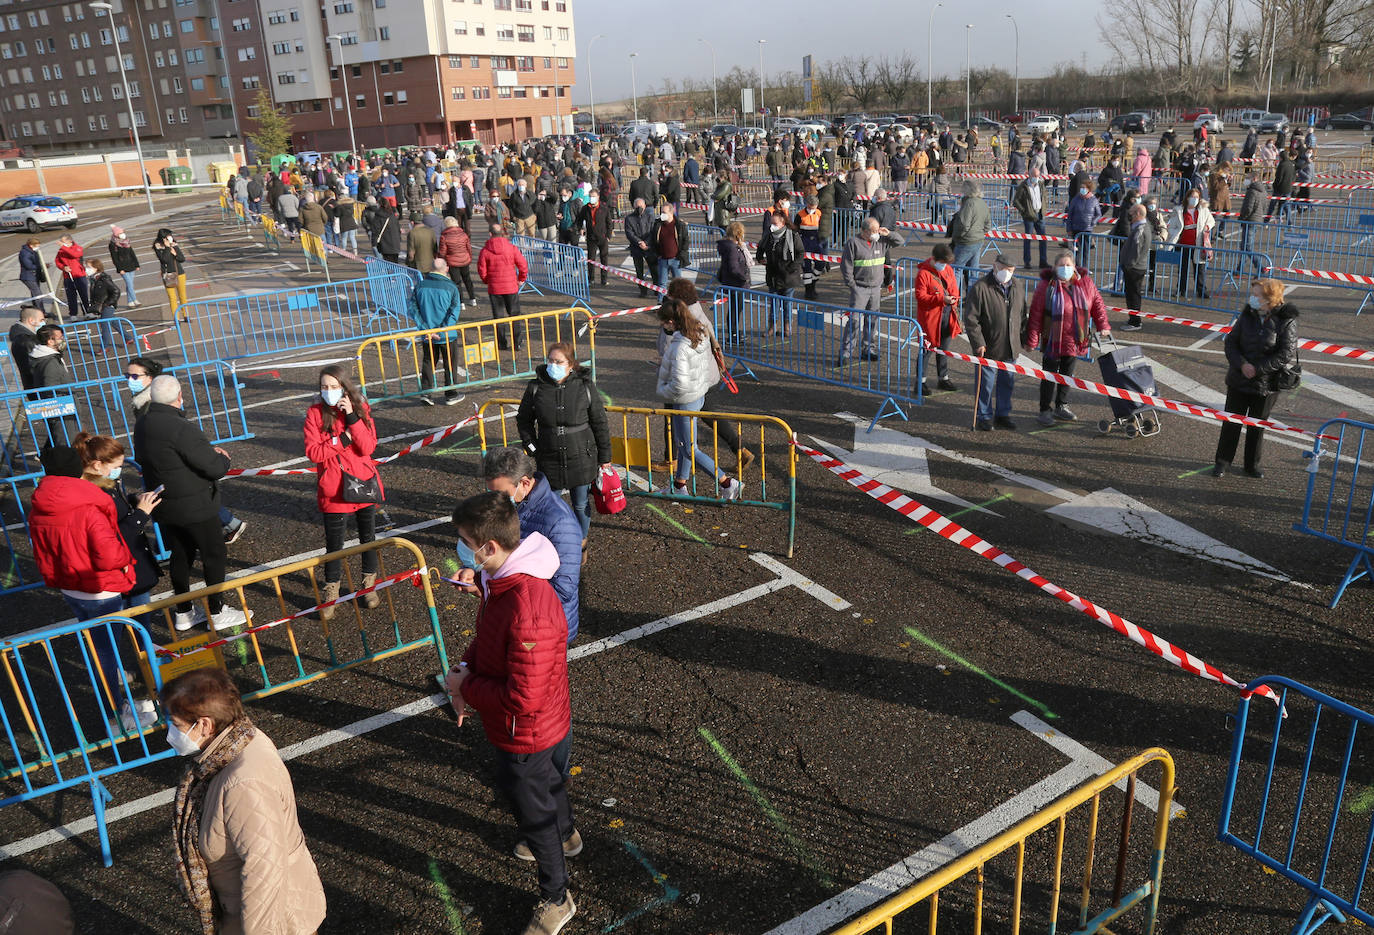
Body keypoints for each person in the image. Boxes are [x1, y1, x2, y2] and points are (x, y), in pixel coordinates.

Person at [445, 492, 578, 935]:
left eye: (466, 541)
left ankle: (556, 897)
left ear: (488, 546)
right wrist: (465, 666)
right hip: (531, 725)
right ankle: (567, 834)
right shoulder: (502, 582)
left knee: (533, 811)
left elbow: (523, 696)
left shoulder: (526, 604)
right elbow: (488, 642)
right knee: (547, 787)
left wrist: (468, 687)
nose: (462, 550)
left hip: (527, 728)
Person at [162, 667, 326, 935]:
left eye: (176, 724)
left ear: (204, 724)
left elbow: (265, 872)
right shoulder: (242, 740)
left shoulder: (243, 784)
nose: (170, 732)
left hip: (274, 923)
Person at [27, 437, 160, 730]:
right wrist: (126, 558)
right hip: (99, 588)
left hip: (70, 586)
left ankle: (120, 705)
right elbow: (110, 552)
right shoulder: (89, 504)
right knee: (106, 654)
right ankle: (115, 715)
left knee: (100, 648)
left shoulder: (40, 505)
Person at [134, 375, 249, 633]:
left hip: (165, 504)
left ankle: (184, 611)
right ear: (179, 396)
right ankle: (217, 610)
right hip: (196, 505)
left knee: (181, 554)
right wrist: (222, 459)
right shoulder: (182, 427)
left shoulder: (143, 423)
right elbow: (211, 467)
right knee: (214, 554)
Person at [303, 365, 384, 618]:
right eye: (324, 387)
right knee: (334, 546)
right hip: (334, 489)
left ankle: (368, 587)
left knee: (367, 539)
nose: (329, 391)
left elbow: (369, 445)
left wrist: (351, 417)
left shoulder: (360, 407)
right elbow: (314, 453)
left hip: (363, 483)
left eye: (334, 387)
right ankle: (331, 593)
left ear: (345, 388)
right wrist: (343, 440)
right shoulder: (315, 413)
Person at [479, 446, 583, 638]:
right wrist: (476, 575)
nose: (495, 500)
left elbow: (563, 590)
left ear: (525, 483)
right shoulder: (513, 506)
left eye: (500, 493)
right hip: (515, 618)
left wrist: (505, 593)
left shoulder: (559, 522)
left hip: (545, 629)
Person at [516, 342, 611, 541]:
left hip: (581, 455)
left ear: (571, 365)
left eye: (559, 361)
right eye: (550, 360)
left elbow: (599, 422)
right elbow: (524, 419)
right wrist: (532, 446)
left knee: (580, 503)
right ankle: (553, 542)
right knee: (550, 502)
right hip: (549, 455)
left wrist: (605, 458)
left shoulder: (584, 386)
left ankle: (582, 541)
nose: (553, 365)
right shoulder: (536, 387)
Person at [655, 298, 745, 500]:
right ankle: (679, 485)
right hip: (699, 394)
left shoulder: (679, 345)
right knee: (685, 444)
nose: (662, 326)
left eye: (664, 322)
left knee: (689, 448)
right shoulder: (697, 331)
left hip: (685, 398)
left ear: (671, 321)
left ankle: (727, 483)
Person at [1212, 279, 1299, 478]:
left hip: (1265, 385)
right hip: (1238, 379)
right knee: (1231, 422)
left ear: (1270, 298)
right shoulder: (1247, 315)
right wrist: (1242, 365)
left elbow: (1286, 353)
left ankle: (1251, 465)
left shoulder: (1287, 320)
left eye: (1257, 295)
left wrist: (1257, 369)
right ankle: (1222, 462)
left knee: (1257, 426)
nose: (1252, 298)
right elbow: (1231, 343)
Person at [1026, 252, 1111, 426]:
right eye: (1061, 265)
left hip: (1074, 339)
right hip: (1052, 340)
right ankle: (1044, 410)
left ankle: (1061, 406)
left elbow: (1097, 305)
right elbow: (1035, 314)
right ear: (1055, 267)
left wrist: (1103, 326)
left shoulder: (1086, 283)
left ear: (1074, 266)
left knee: (1067, 375)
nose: (1065, 268)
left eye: (1068, 265)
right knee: (1049, 376)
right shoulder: (1046, 285)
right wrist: (1032, 339)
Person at [963, 255, 1025, 431]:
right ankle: (984, 415)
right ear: (995, 266)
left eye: (1010, 270)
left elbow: (1022, 314)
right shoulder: (980, 287)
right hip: (988, 347)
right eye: (1003, 268)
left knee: (1007, 382)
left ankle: (1003, 414)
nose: (1006, 273)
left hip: (1011, 346)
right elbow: (971, 320)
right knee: (985, 384)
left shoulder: (1018, 286)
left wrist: (1024, 338)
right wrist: (978, 343)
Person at [838, 217, 904, 366]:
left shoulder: (881, 241)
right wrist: (852, 285)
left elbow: (900, 241)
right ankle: (846, 352)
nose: (876, 234)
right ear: (864, 231)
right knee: (854, 320)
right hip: (859, 289)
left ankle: (868, 349)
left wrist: (888, 234)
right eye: (873, 231)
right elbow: (846, 266)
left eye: (877, 230)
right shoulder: (853, 243)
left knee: (872, 320)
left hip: (875, 288)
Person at [412, 257, 466, 406]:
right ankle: (451, 393)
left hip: (427, 334)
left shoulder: (420, 286)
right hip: (447, 335)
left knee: (428, 362)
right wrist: (441, 331)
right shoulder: (451, 287)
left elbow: (413, 309)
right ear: (446, 269)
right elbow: (453, 312)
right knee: (450, 363)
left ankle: (426, 393)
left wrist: (425, 329)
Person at [914, 244, 961, 394]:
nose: (944, 266)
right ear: (934, 259)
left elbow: (954, 287)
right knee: (926, 351)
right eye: (942, 262)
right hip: (930, 319)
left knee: (944, 350)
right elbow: (921, 297)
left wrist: (954, 298)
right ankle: (920, 383)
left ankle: (943, 378)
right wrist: (942, 299)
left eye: (946, 263)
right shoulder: (923, 274)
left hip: (947, 315)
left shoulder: (947, 269)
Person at [477, 223, 529, 351]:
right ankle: (518, 343)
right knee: (515, 315)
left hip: (495, 288)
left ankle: (502, 343)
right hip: (511, 286)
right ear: (502, 233)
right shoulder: (511, 248)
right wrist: (521, 279)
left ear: (490, 234)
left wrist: (487, 281)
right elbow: (523, 264)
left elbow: (482, 270)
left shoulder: (485, 251)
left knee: (498, 317)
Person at [756, 209, 803, 338]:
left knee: (787, 303)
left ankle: (787, 327)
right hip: (773, 275)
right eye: (771, 223)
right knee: (774, 303)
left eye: (775, 223)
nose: (772, 226)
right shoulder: (768, 236)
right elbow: (760, 249)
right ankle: (772, 327)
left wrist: (792, 267)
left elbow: (800, 253)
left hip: (788, 276)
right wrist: (761, 259)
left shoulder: (792, 236)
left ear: (782, 223)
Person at [1166, 188, 1215, 299]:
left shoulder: (1203, 210)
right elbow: (1171, 226)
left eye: (1197, 197)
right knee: (1183, 269)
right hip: (1183, 244)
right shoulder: (1179, 210)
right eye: (1192, 197)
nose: (1194, 199)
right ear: (1187, 197)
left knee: (1200, 268)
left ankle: (1201, 290)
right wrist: (1177, 233)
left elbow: (1211, 221)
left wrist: (1207, 227)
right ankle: (1181, 290)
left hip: (1198, 244)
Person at [949, 180, 990, 287]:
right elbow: (987, 225)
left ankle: (954, 298)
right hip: (978, 240)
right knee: (973, 271)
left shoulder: (968, 203)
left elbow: (963, 225)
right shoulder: (982, 202)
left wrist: (957, 237)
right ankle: (972, 298)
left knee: (956, 269)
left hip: (966, 241)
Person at [87, 258, 132, 353]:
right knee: (113, 321)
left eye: (89, 267)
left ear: (96, 268)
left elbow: (116, 291)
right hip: (102, 305)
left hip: (107, 305)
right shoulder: (93, 279)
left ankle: (104, 347)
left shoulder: (104, 279)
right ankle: (128, 338)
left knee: (104, 325)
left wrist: (108, 303)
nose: (86, 269)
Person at [716, 221, 752, 341]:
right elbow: (733, 268)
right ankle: (733, 334)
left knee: (734, 309)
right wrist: (744, 277)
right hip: (736, 283)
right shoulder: (732, 248)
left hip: (732, 282)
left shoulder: (729, 246)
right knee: (735, 310)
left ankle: (734, 333)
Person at [1119, 203, 1152, 330]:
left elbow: (1136, 250)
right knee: (1132, 294)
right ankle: (1133, 319)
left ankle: (1135, 321)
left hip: (1135, 268)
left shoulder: (1141, 229)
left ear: (1138, 214)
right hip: (1135, 266)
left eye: (1132, 213)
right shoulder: (1140, 227)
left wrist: (1128, 265)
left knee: (1133, 295)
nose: (1130, 216)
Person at [1012, 166, 1049, 270]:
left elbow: (1044, 196)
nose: (1036, 178)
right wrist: (1024, 211)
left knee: (1043, 239)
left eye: (1038, 176)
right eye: (1035, 176)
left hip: (1040, 214)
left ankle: (1043, 261)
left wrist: (1044, 208)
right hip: (1029, 216)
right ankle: (1027, 262)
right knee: (1028, 239)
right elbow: (1016, 201)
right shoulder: (1023, 186)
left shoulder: (1041, 184)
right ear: (1030, 175)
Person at [438, 216, 478, 308]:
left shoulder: (444, 237)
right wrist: (469, 258)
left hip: (452, 261)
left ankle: (461, 302)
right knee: (467, 280)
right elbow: (469, 248)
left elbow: (442, 252)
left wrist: (442, 261)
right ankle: (473, 298)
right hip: (464, 260)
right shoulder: (464, 234)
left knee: (456, 282)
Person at [650, 201, 690, 290]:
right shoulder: (658, 225)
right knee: (662, 283)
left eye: (664, 212)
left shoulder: (679, 225)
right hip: (663, 259)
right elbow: (654, 240)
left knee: (678, 284)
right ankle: (660, 301)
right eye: (661, 212)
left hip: (676, 259)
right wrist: (657, 255)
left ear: (671, 212)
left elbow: (685, 241)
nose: (662, 214)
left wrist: (681, 254)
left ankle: (679, 301)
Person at [578, 188, 613, 287]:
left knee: (604, 259)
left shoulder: (604, 208)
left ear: (598, 197)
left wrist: (608, 236)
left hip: (603, 237)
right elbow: (579, 220)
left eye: (593, 196)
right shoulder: (585, 208)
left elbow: (609, 223)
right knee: (591, 259)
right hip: (591, 237)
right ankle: (591, 279)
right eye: (590, 196)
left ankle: (604, 279)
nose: (591, 198)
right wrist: (580, 228)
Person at [1065, 178, 1102, 269]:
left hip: (1087, 229)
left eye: (1084, 188)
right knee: (1077, 250)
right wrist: (1069, 229)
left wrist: (1093, 222)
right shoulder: (1076, 199)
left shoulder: (1093, 200)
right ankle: (1077, 267)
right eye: (1081, 187)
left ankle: (1084, 268)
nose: (1082, 189)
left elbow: (1098, 214)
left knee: (1086, 251)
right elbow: (1070, 215)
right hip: (1076, 228)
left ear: (1089, 189)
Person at [153, 229, 190, 320]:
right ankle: (176, 318)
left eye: (171, 236)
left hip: (180, 273)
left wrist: (175, 252)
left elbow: (182, 259)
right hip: (168, 275)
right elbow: (164, 260)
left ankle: (186, 315)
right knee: (172, 298)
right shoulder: (157, 246)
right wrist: (167, 248)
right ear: (163, 238)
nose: (171, 237)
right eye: (168, 236)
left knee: (183, 296)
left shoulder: (174, 244)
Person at [54, 234, 91, 319]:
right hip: (68, 276)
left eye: (63, 241)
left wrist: (63, 246)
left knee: (83, 295)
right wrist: (63, 267)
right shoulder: (61, 250)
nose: (61, 243)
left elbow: (75, 255)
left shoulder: (77, 248)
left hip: (79, 275)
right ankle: (73, 314)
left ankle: (87, 312)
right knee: (71, 296)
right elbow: (57, 261)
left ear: (70, 241)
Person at [624, 198, 655, 298]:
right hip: (636, 248)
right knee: (639, 271)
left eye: (641, 206)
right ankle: (642, 290)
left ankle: (656, 288)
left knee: (654, 269)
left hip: (649, 247)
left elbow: (652, 231)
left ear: (645, 206)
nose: (639, 208)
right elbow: (629, 233)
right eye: (637, 206)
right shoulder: (629, 218)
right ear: (633, 206)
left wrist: (646, 243)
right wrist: (639, 242)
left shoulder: (650, 216)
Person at [8, 305, 44, 389]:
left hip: (36, 386)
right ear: (31, 320)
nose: (44, 322)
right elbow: (33, 367)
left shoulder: (25, 337)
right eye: (41, 320)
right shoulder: (26, 341)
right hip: (40, 388)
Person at [108, 226, 142, 309]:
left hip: (131, 265)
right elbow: (114, 258)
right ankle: (135, 300)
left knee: (130, 284)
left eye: (122, 232)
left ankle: (130, 302)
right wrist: (120, 269)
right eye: (120, 233)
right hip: (123, 267)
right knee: (130, 284)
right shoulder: (113, 244)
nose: (122, 234)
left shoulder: (126, 241)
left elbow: (132, 253)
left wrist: (136, 264)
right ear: (116, 234)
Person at [19, 236, 54, 315]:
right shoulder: (25, 253)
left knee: (35, 294)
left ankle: (37, 311)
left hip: (34, 276)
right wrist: (42, 266)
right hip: (29, 277)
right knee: (38, 294)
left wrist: (42, 265)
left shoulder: (32, 252)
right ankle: (42, 312)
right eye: (37, 245)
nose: (38, 247)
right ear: (31, 245)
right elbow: (28, 265)